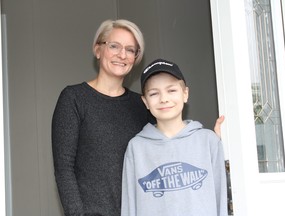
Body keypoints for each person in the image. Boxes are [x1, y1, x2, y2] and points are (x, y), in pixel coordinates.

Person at [52, 19, 224, 216]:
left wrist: (211, 142)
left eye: (130, 49)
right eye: (114, 46)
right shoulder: (74, 99)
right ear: (98, 50)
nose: (122, 54)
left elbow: (169, 147)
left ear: (136, 58)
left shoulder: (142, 105)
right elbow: (64, 169)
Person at [121, 59, 228, 216]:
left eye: (171, 90)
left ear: (185, 94)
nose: (164, 99)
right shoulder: (136, 147)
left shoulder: (208, 141)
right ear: (145, 102)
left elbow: (221, 197)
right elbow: (130, 205)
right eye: (154, 93)